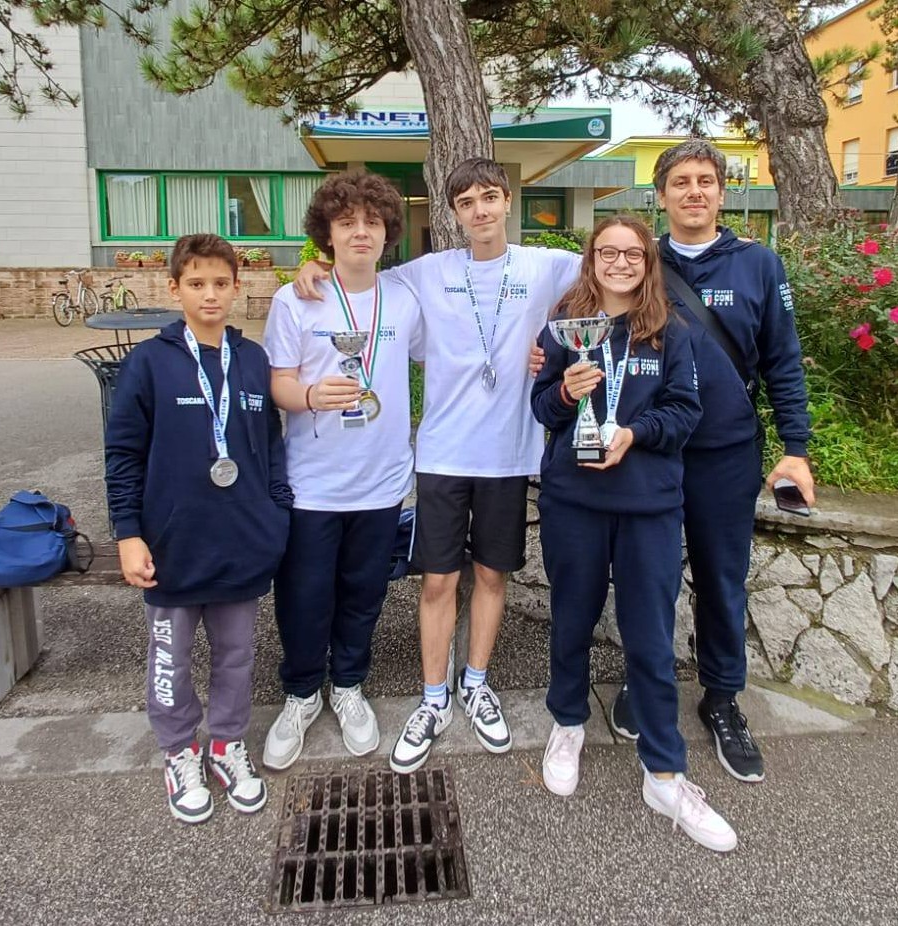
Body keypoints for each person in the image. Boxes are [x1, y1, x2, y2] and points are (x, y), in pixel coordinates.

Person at [295, 158, 582, 773]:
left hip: (508, 453)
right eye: (466, 202)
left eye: (489, 197)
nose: (480, 210)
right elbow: (357, 274)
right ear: (453, 213)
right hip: (443, 453)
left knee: (493, 576)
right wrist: (312, 264)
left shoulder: (547, 266)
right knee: (437, 582)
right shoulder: (426, 273)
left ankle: (475, 684)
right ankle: (433, 698)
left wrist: (556, 349)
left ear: (508, 200)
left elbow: (620, 266)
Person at [607, 139, 815, 783]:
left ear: (722, 193)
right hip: (653, 452)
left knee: (722, 580)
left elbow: (783, 361)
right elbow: (593, 329)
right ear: (661, 195)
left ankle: (722, 697)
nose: (694, 191)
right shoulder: (641, 262)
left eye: (705, 180)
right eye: (681, 181)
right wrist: (547, 356)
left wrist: (797, 450)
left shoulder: (759, 264)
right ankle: (646, 678)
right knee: (650, 577)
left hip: (726, 453)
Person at [533, 214, 738, 852]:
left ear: (647, 262)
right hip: (574, 501)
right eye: (607, 252)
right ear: (591, 258)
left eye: (632, 253)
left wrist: (633, 434)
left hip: (648, 505)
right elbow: (541, 407)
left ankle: (664, 771)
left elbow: (684, 413)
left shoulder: (670, 331)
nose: (619, 262)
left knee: (650, 637)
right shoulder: (565, 324)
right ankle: (568, 723)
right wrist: (565, 394)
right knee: (571, 619)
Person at [105, 233, 292, 824]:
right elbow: (122, 454)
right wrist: (128, 533)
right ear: (174, 289)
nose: (209, 294)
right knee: (172, 659)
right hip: (173, 545)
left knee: (236, 656)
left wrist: (276, 513)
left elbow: (271, 447)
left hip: (241, 540)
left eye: (220, 283)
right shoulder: (148, 362)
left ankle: (226, 743)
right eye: (196, 283)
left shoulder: (253, 360)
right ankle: (179, 750)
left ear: (237, 288)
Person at [261, 172, 423, 771]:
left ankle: (349, 685)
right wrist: (308, 397)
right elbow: (278, 381)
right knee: (304, 595)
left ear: (387, 232)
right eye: (347, 221)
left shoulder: (405, 298)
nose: (361, 232)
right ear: (326, 233)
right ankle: (302, 692)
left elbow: (447, 352)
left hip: (382, 481)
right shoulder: (295, 298)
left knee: (363, 592)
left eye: (372, 222)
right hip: (313, 484)